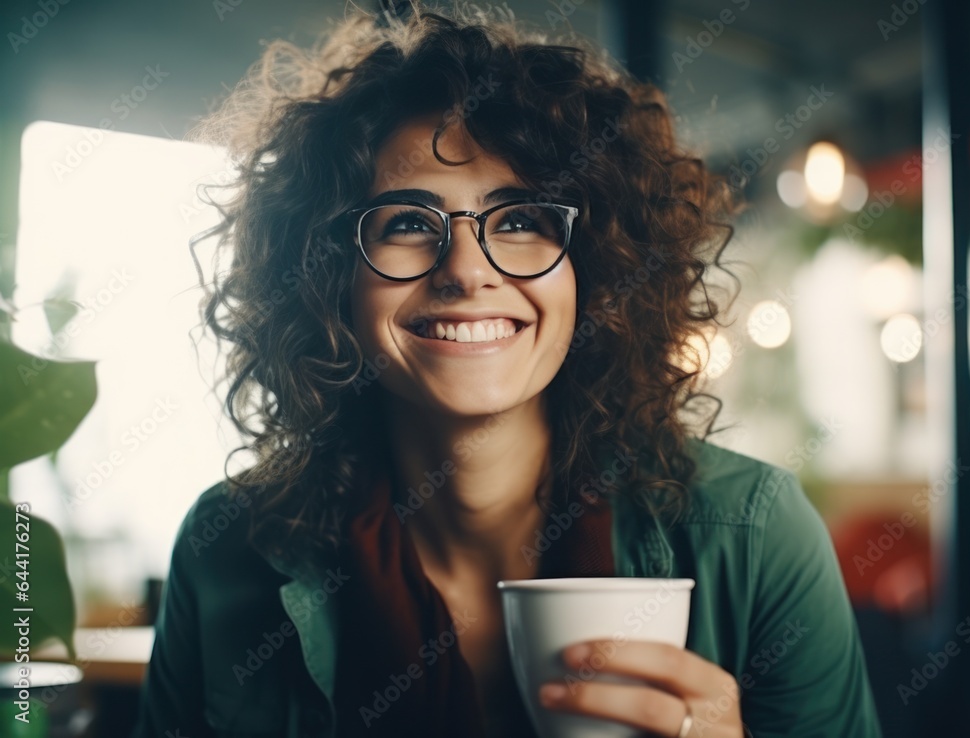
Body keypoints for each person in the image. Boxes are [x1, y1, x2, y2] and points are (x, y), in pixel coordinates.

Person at [133, 3, 883, 737]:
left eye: (522, 220)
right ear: (329, 281)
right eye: (407, 224)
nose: (465, 271)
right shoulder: (226, 546)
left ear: (597, 272)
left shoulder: (754, 535)